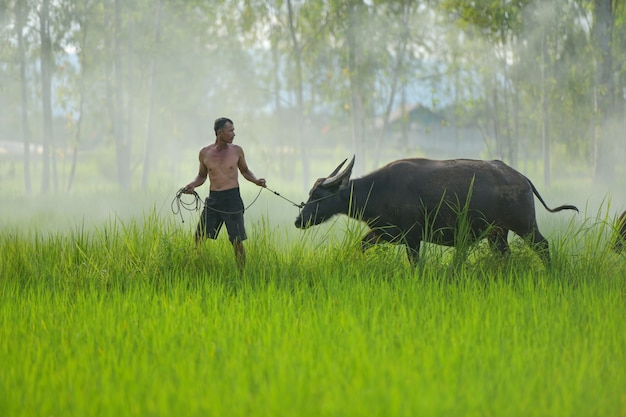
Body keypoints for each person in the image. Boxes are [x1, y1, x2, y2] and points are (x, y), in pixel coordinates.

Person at [181, 117, 266, 270]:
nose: (234, 134)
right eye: (230, 131)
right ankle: (196, 267)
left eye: (233, 130)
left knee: (236, 240)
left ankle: (242, 274)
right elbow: (201, 176)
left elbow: (245, 171)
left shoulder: (237, 151)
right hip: (214, 199)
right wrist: (193, 185)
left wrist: (256, 181)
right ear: (220, 133)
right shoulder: (205, 153)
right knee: (199, 237)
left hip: (232, 199)